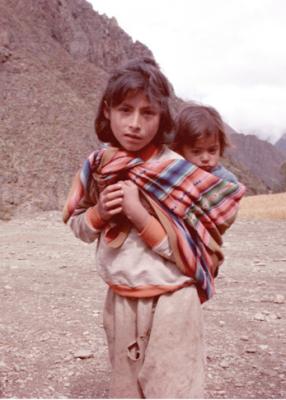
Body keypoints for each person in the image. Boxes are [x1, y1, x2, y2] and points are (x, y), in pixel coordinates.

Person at [63, 57, 245, 399]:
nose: (135, 124)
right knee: (127, 391)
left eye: (148, 113)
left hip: (174, 300)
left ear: (162, 117)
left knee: (173, 391)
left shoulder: (177, 170)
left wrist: (140, 215)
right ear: (107, 111)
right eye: (125, 110)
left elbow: (194, 249)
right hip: (121, 300)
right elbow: (79, 223)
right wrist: (100, 213)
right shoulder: (98, 167)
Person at [173, 103, 238, 183]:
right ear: (180, 151)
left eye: (212, 150)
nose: (205, 158)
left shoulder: (225, 180)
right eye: (196, 151)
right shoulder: (175, 176)